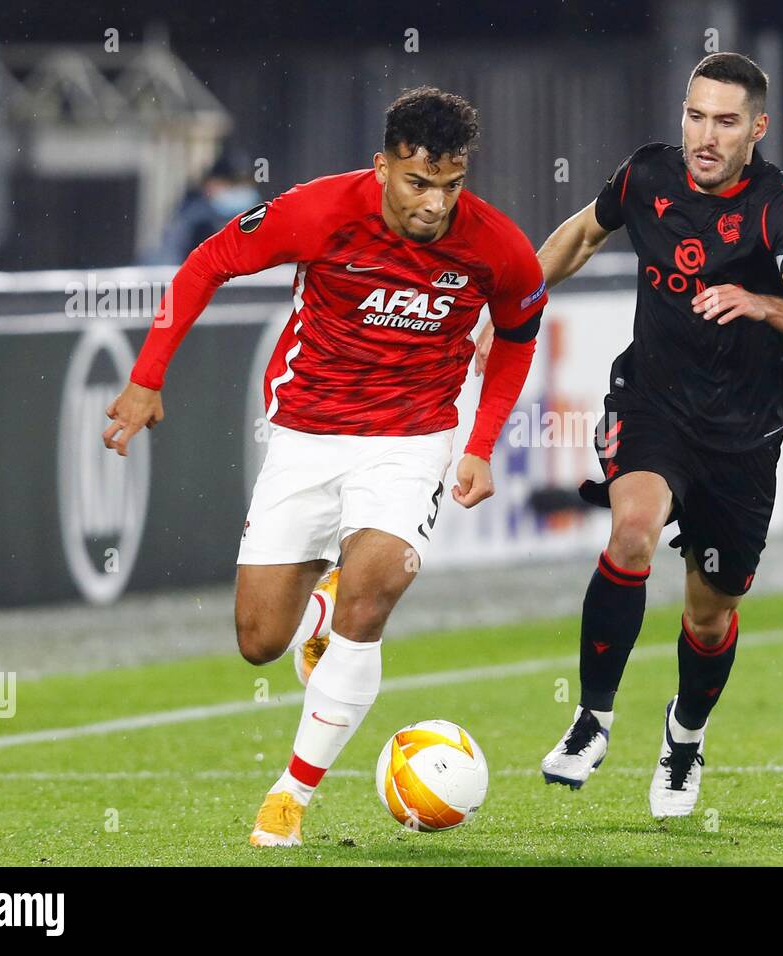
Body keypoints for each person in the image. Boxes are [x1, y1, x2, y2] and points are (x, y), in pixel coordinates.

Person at [103, 87, 547, 846]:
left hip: (411, 443)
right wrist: (148, 376)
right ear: (382, 167)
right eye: (418, 183)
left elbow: (518, 335)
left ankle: (291, 795)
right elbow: (208, 262)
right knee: (258, 642)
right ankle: (316, 609)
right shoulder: (318, 212)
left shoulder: (497, 246)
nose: (435, 204)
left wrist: (478, 443)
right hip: (306, 435)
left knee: (371, 602)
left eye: (451, 185)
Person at [482, 52, 783, 817]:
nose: (705, 138)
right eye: (694, 116)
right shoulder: (645, 177)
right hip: (652, 403)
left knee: (708, 614)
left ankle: (684, 737)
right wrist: (515, 309)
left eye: (724, 122)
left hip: (744, 436)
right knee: (633, 535)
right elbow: (582, 234)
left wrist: (762, 303)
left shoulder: (779, 210)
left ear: (757, 129)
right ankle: (593, 718)